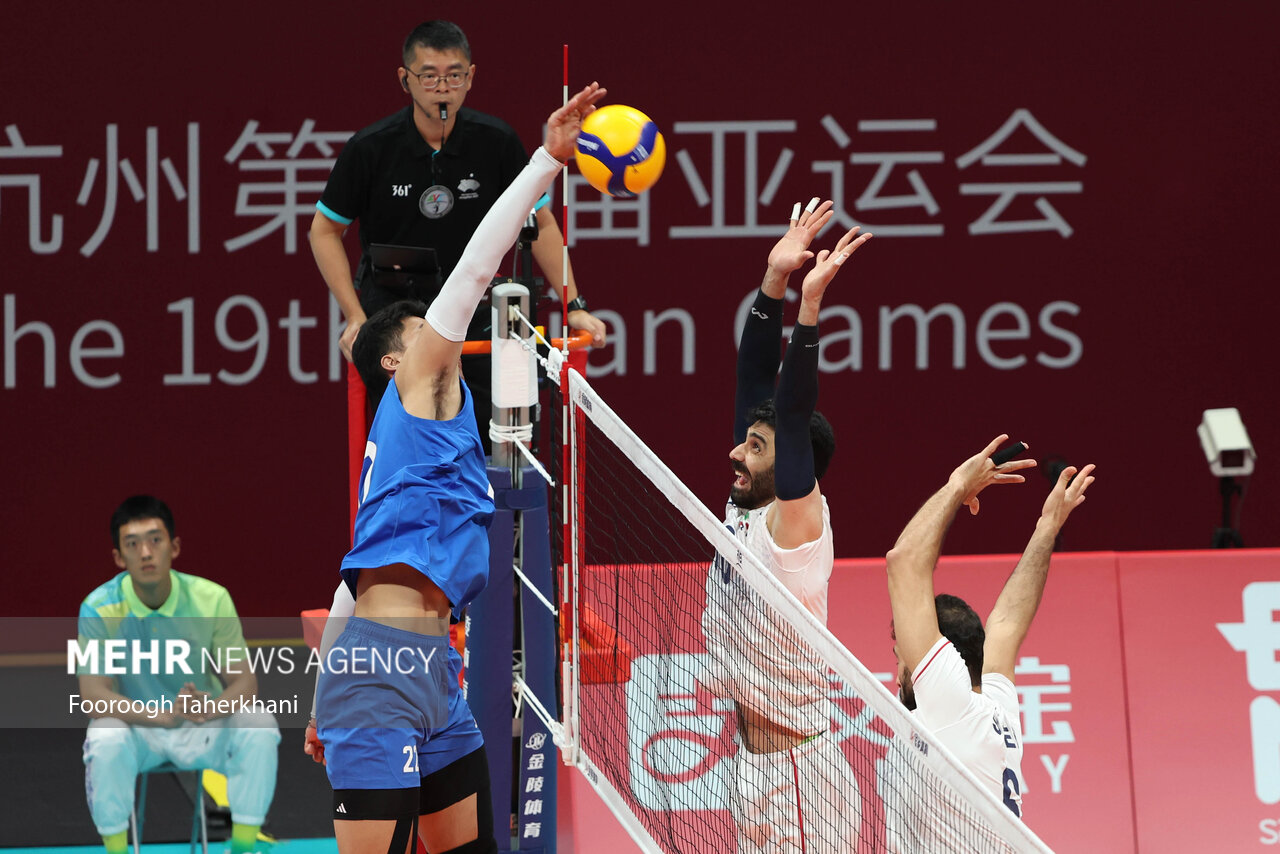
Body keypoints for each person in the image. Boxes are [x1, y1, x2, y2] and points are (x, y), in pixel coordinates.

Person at [311, 83, 606, 854]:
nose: (440, 329)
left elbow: (350, 585)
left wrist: (315, 705)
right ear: (393, 357)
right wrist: (544, 160)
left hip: (438, 667)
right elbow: (475, 271)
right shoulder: (417, 387)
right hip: (382, 676)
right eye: (421, 326)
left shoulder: (419, 439)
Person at [310, 19, 607, 440]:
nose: (442, 87)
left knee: (494, 444)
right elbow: (323, 231)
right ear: (405, 80)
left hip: (479, 318)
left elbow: (539, 221)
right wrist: (356, 318)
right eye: (428, 76)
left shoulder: (496, 141)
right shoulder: (370, 148)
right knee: (408, 440)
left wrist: (574, 302)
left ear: (470, 78)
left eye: (453, 75)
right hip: (397, 319)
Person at [699, 199, 871, 853]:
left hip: (805, 778)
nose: (737, 454)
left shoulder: (797, 527)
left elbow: (792, 413)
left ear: (796, 466)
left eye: (756, 448)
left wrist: (810, 307)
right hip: (755, 765)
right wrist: (773, 281)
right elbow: (753, 379)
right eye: (746, 443)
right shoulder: (746, 503)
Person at [884, 435, 1095, 821]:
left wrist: (957, 486)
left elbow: (904, 561)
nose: (898, 674)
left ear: (940, 658)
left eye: (902, 658)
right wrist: (1047, 528)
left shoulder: (949, 701)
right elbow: (1006, 622)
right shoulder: (997, 709)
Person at [76, 495, 279, 854]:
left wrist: (208, 709)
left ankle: (244, 848)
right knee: (104, 734)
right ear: (119, 558)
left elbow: (245, 682)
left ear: (175, 546)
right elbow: (93, 695)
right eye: (132, 544)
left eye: (155, 539)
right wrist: (159, 715)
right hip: (140, 730)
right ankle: (116, 850)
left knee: (259, 723)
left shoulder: (211, 598)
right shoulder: (97, 607)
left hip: (200, 724)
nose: (145, 552)